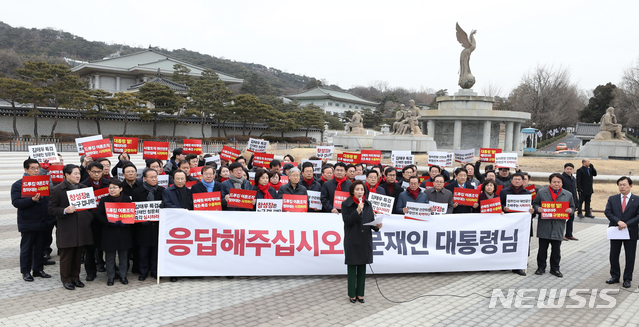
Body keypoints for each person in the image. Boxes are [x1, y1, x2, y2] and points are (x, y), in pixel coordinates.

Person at [48, 164, 95, 290]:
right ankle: (66, 279)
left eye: (79, 173)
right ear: (67, 175)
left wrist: (88, 218)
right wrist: (64, 210)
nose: (78, 176)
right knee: (66, 256)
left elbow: (91, 208)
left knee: (78, 255)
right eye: (75, 173)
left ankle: (76, 278)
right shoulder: (57, 190)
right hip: (67, 229)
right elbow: (51, 209)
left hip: (81, 228)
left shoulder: (84, 188)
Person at [12, 158, 53, 282]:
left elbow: (47, 202)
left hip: (42, 221)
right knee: (27, 248)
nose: (36, 171)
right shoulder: (18, 185)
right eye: (33, 168)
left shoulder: (43, 183)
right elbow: (16, 202)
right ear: (26, 169)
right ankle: (25, 271)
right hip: (28, 222)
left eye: (37, 168)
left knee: (40, 247)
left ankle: (38, 269)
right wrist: (31, 200)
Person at [341, 180, 382, 303]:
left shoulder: (368, 204)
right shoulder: (346, 204)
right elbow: (347, 221)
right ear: (352, 191)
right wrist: (357, 210)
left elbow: (370, 222)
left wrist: (377, 226)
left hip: (365, 240)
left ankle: (360, 294)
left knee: (362, 268)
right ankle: (352, 294)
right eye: (357, 189)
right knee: (352, 267)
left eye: (362, 189)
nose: (360, 192)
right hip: (352, 240)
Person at [533, 173, 575, 278]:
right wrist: (538, 209)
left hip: (558, 226)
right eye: (554, 182)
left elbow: (573, 207)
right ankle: (541, 267)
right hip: (545, 225)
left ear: (562, 183)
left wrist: (570, 210)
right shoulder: (542, 192)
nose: (556, 184)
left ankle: (555, 269)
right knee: (542, 249)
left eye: (559, 182)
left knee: (556, 250)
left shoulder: (568, 194)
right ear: (550, 183)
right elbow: (535, 203)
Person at [95, 179, 132, 286]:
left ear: (120, 189)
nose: (112, 190)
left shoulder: (126, 199)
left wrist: (125, 222)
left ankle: (123, 276)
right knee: (110, 257)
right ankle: (110, 277)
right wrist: (108, 222)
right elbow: (99, 215)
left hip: (124, 232)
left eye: (114, 187)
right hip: (109, 232)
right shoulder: (104, 200)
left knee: (123, 256)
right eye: (110, 188)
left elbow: (131, 214)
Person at [605, 176, 639, 288]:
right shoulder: (612, 198)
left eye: (624, 184)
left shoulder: (637, 199)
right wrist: (618, 221)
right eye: (620, 185)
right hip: (616, 230)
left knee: (630, 256)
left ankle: (627, 278)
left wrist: (626, 223)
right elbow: (608, 212)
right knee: (614, 255)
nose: (622, 187)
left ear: (631, 186)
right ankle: (615, 276)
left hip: (631, 232)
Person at [132, 168, 166, 281]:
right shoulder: (137, 192)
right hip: (143, 228)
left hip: (158, 227)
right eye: (151, 177)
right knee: (143, 252)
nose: (154, 179)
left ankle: (155, 271)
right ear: (145, 179)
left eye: (155, 177)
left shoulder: (162, 191)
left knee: (156, 251)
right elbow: (134, 211)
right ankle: (143, 272)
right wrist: (141, 220)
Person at [80, 160, 109, 280]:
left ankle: (110, 270)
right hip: (90, 222)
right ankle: (91, 272)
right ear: (88, 172)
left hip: (105, 221)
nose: (96, 174)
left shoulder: (108, 184)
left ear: (102, 172)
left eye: (99, 172)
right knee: (90, 249)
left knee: (108, 247)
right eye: (94, 172)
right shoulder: (83, 185)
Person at [561, 163, 579, 241]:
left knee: (571, 218)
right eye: (567, 169)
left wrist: (576, 202)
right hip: (564, 201)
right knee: (563, 219)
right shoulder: (562, 178)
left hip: (572, 202)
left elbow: (574, 191)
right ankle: (561, 234)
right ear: (564, 169)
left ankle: (569, 234)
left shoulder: (573, 178)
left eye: (571, 169)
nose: (569, 170)